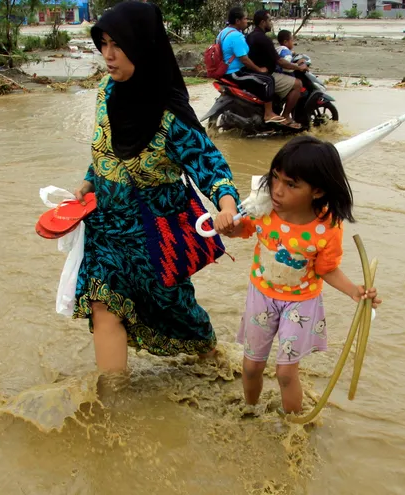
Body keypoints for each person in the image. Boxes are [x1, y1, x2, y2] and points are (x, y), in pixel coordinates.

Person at [73, 2, 241, 373]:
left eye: (117, 44)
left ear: (142, 45)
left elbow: (209, 165)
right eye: (102, 44)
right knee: (104, 305)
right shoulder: (106, 92)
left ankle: (213, 359)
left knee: (181, 314)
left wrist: (227, 206)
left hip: (153, 240)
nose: (108, 55)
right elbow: (106, 146)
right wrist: (87, 182)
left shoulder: (169, 117)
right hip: (106, 230)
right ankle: (112, 404)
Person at [223, 136, 382, 414]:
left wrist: (354, 291)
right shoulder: (264, 210)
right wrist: (225, 223)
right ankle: (249, 412)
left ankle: (291, 428)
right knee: (251, 367)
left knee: (286, 373)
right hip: (261, 298)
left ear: (317, 191)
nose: (277, 191)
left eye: (291, 184)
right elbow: (240, 229)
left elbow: (326, 270)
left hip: (301, 303)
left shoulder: (327, 227)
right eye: (275, 178)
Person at [217, 7, 294, 127]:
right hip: (235, 72)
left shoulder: (223, 32)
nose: (246, 22)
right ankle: (268, 114)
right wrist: (260, 70)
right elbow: (245, 59)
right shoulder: (237, 36)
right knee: (268, 80)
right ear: (237, 21)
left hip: (226, 71)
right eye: (245, 19)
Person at [246, 11, 308, 127]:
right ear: (263, 22)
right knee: (297, 84)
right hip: (266, 75)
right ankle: (285, 116)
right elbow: (280, 61)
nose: (271, 23)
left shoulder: (250, 36)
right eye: (269, 21)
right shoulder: (264, 39)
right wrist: (298, 67)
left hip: (253, 73)